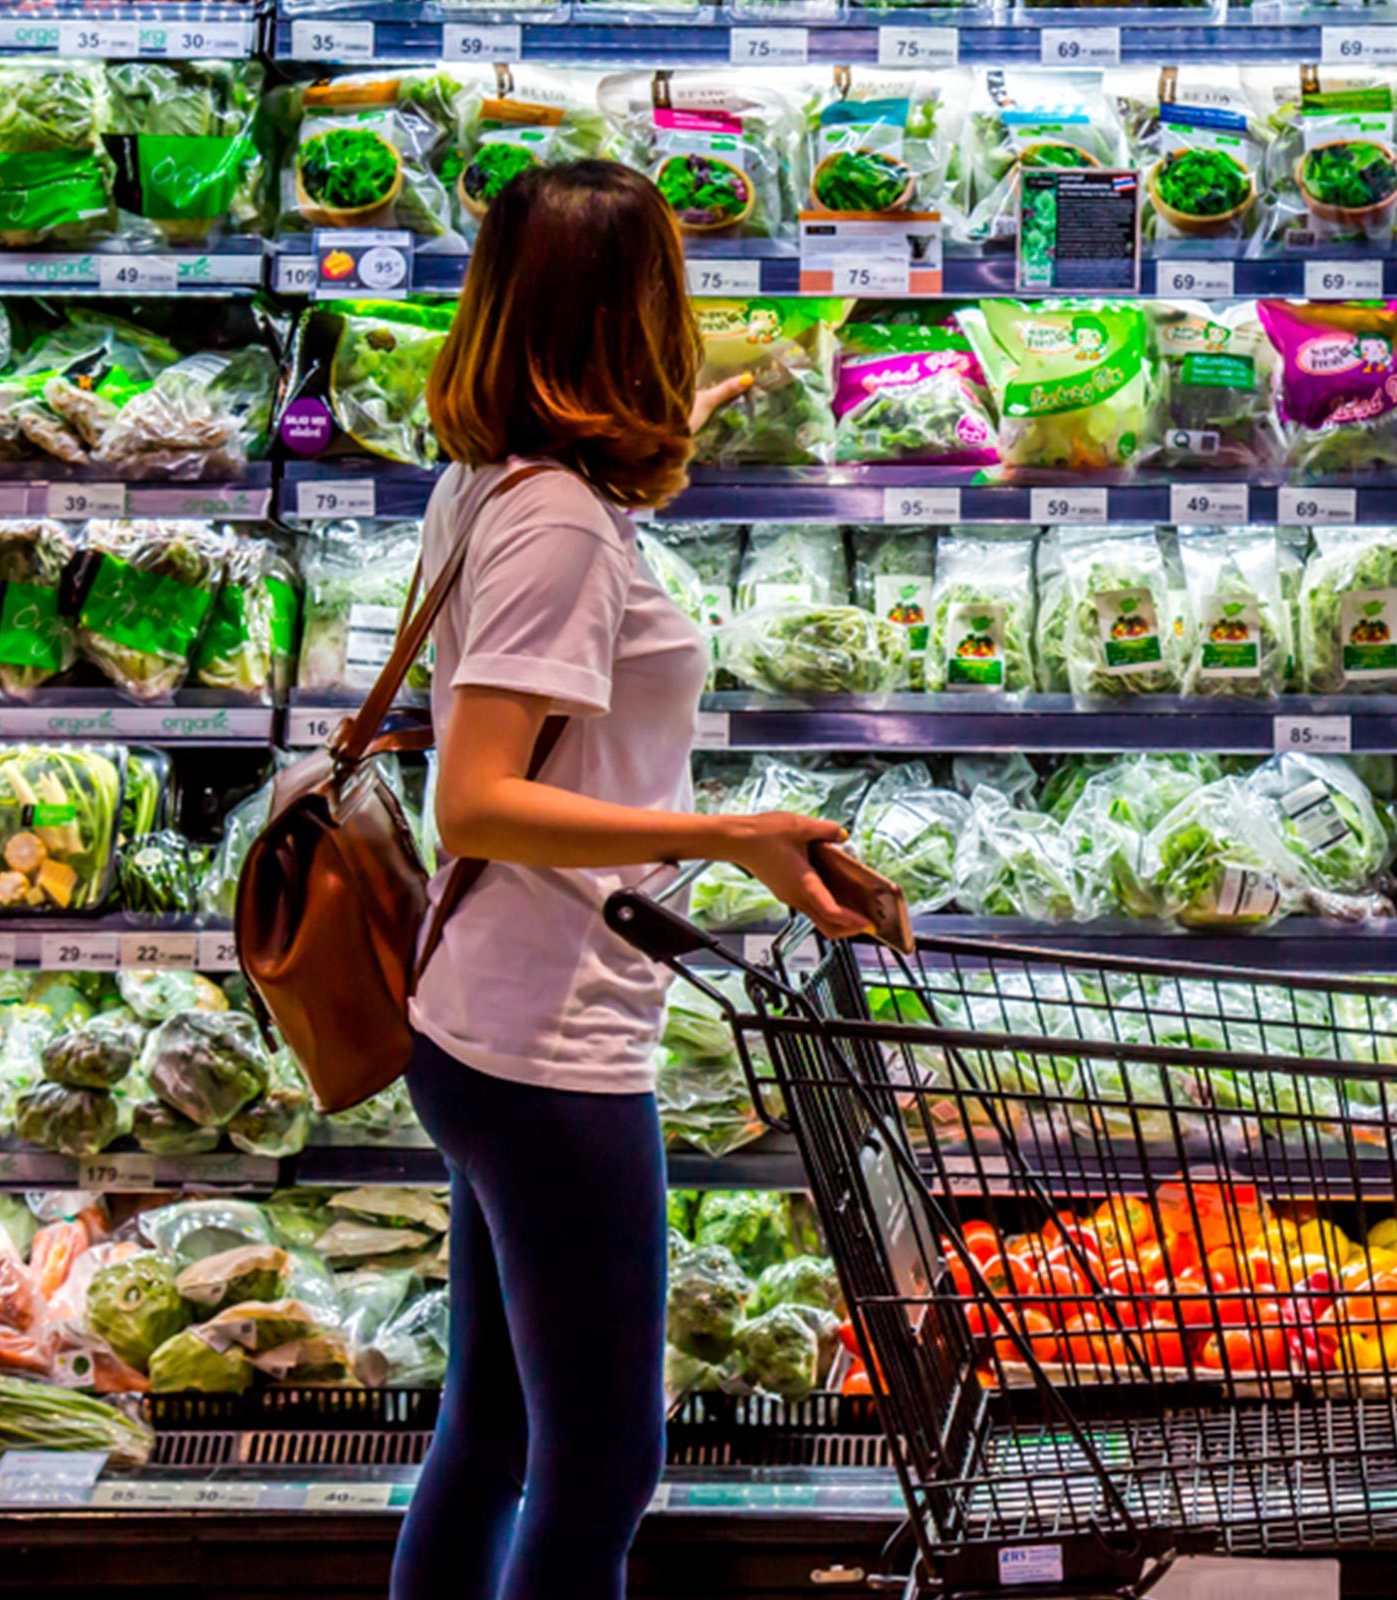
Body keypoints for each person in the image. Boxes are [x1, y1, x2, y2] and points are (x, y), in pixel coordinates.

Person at [390, 160, 870, 1600]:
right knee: (601, 1464)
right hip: (549, 1050)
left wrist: (720, 394)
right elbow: (473, 796)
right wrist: (726, 836)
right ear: (631, 317)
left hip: (484, 1023)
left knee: (488, 1432)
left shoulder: (506, 474)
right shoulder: (556, 527)